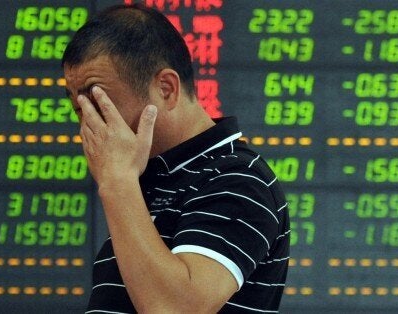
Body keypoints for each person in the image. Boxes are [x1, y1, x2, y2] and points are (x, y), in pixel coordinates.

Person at [62, 4, 289, 313]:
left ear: (166, 89)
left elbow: (174, 308)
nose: (89, 125)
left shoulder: (240, 179)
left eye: (100, 103)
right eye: (80, 109)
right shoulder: (146, 181)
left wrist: (117, 183)